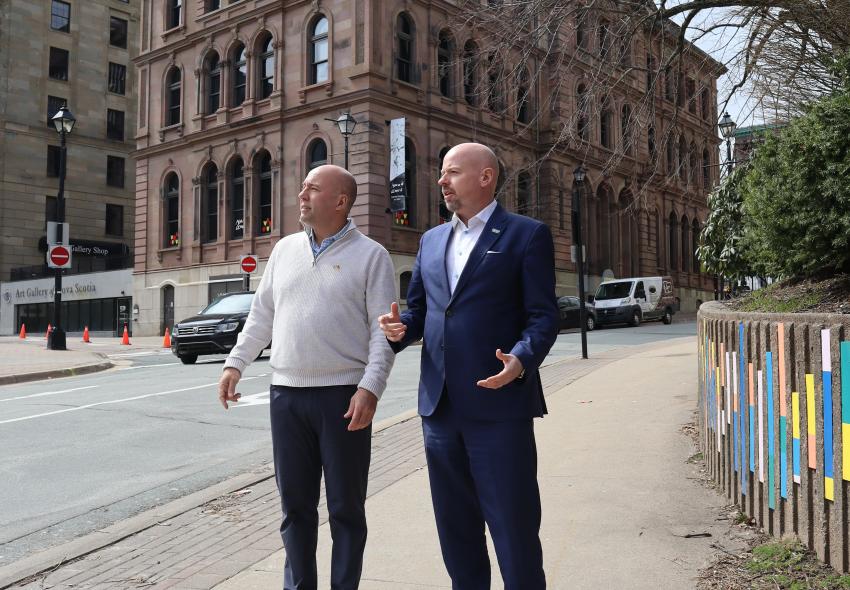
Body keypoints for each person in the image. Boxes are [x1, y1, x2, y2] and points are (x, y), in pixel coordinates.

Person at [379, 143, 559, 589]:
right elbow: (420, 311)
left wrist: (520, 359)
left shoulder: (526, 234)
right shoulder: (431, 239)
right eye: (441, 174)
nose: (441, 182)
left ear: (485, 178)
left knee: (513, 528)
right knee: (455, 530)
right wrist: (400, 329)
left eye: (452, 173)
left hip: (499, 408)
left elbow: (543, 316)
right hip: (439, 411)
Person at [218, 164, 395, 590]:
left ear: (340, 201)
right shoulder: (283, 250)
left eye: (312, 189)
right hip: (287, 396)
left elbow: (383, 333)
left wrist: (370, 388)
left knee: (346, 510)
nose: (301, 195)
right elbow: (261, 314)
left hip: (342, 399)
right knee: (295, 508)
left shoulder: (373, 256)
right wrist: (235, 363)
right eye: (302, 188)